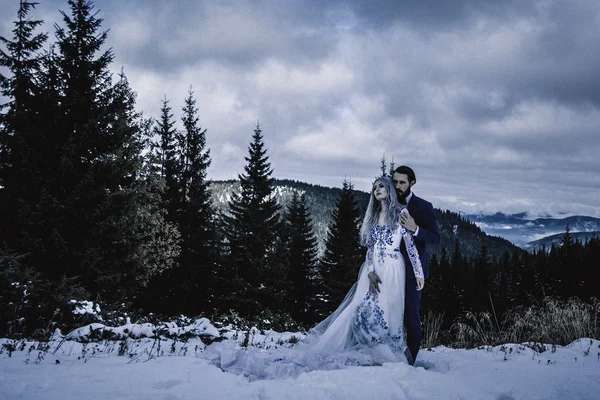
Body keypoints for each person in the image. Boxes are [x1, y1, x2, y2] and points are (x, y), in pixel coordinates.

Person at [204, 177, 424, 380]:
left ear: (390, 190)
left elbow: (411, 248)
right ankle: (369, 347)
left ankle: (388, 351)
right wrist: (369, 271)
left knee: (392, 311)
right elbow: (370, 249)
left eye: (381, 186)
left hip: (394, 269)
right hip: (374, 269)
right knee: (362, 310)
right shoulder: (374, 217)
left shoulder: (401, 213)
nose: (377, 190)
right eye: (374, 187)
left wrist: (418, 274)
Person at [392, 166, 440, 365]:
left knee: (412, 316)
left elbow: (436, 238)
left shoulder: (423, 206)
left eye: (402, 182)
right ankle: (390, 354)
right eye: (394, 182)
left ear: (412, 183)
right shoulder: (387, 203)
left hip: (413, 272)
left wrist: (416, 229)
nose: (397, 186)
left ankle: (410, 361)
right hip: (390, 270)